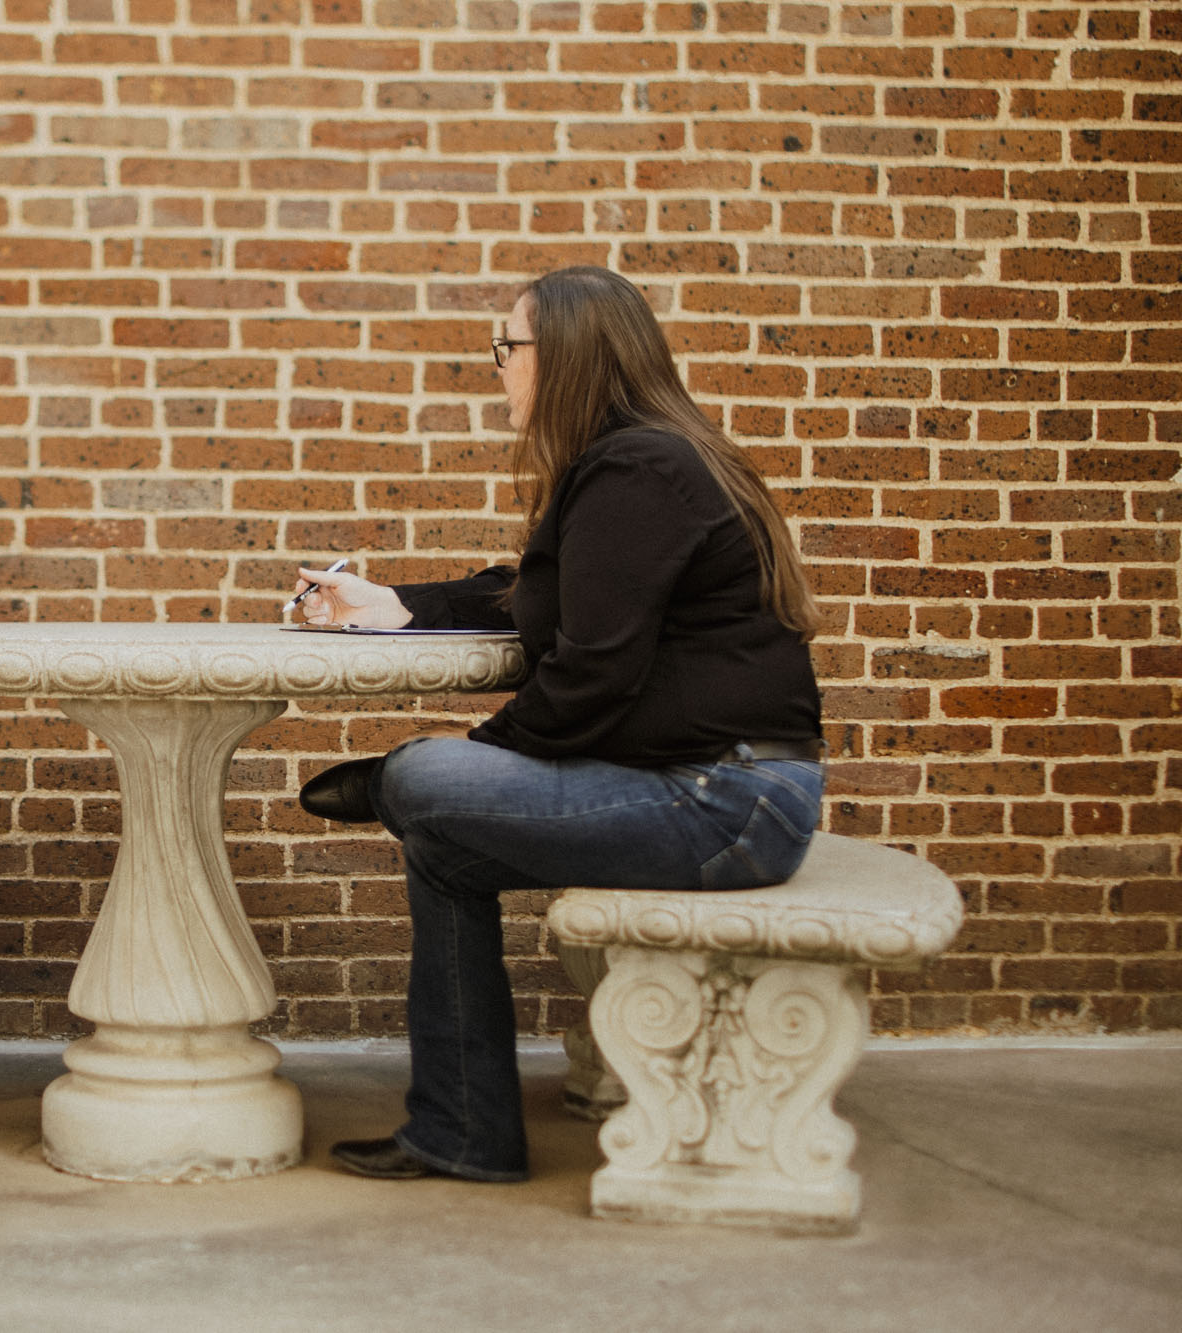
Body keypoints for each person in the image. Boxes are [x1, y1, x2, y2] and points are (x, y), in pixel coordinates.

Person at [287, 265, 825, 1183]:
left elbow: (592, 671)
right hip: (715, 789)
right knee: (443, 845)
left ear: (566, 355)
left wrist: (469, 761)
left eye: (508, 347)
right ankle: (462, 1131)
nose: (498, 367)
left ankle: (389, 784)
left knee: (425, 780)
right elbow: (533, 594)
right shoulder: (636, 463)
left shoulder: (642, 467)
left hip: (729, 802)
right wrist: (392, 604)